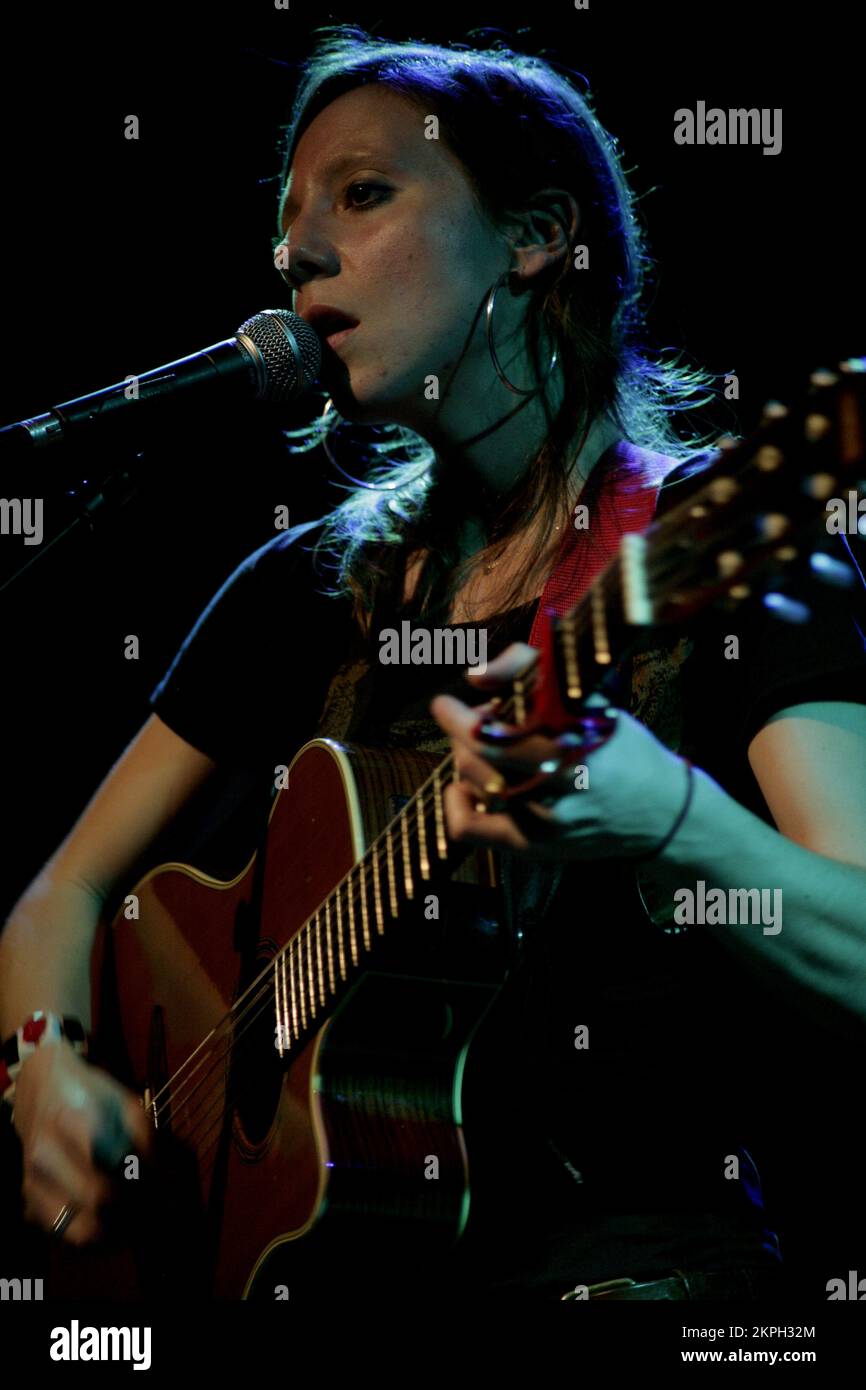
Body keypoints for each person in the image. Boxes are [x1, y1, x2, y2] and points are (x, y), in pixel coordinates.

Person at [2, 28, 865, 1303]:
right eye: (287, 218)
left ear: (532, 237)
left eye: (361, 193)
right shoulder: (305, 591)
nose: (295, 252)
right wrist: (45, 1067)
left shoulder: (713, 553)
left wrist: (672, 822)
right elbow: (58, 899)